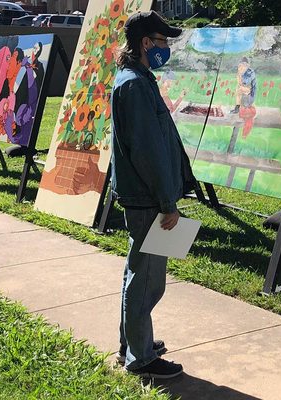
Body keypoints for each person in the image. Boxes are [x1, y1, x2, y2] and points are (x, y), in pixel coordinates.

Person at [111, 10, 196, 380]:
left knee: (138, 274)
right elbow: (148, 151)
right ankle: (141, 358)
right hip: (149, 201)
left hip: (145, 197)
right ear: (146, 43)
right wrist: (167, 203)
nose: (166, 48)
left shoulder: (138, 79)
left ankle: (132, 344)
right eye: (162, 41)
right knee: (147, 281)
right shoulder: (134, 85)